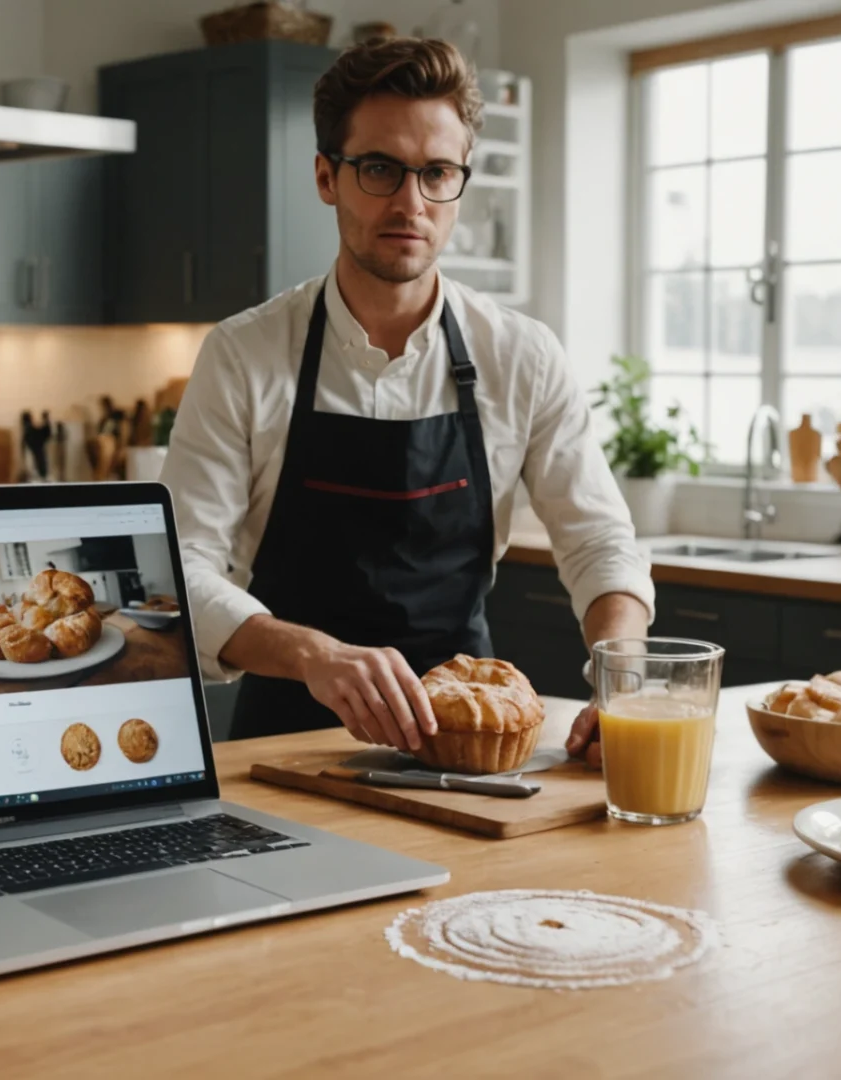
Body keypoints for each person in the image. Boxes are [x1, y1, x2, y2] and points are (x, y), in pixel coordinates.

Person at [160, 37, 652, 764]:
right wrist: (312, 654)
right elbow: (180, 567)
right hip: (288, 748)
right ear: (327, 177)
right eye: (381, 169)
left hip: (469, 743)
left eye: (437, 173)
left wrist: (625, 679)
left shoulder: (521, 354)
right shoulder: (245, 354)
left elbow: (601, 543)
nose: (410, 203)